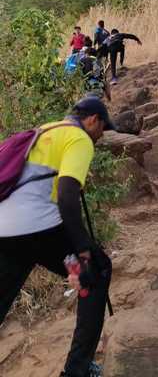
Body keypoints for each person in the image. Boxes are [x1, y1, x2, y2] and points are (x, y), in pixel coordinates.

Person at [0, 97, 114, 377]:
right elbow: (66, 195)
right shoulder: (79, 138)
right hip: (39, 228)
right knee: (96, 272)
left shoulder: (46, 130)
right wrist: (83, 252)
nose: (101, 135)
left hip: (5, 230)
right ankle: (77, 371)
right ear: (92, 120)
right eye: (102, 128)